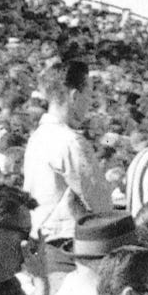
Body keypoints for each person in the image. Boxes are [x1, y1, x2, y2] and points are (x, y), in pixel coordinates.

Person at [20, 61, 110, 240]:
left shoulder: (38, 136)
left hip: (40, 235)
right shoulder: (70, 141)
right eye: (89, 96)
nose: (90, 103)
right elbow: (101, 205)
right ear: (75, 96)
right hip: (65, 242)